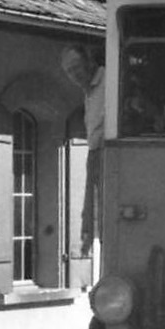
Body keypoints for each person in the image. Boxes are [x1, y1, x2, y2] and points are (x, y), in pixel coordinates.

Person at [60, 44, 105, 257]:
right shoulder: (88, 92)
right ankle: (89, 239)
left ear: (90, 62)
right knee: (93, 205)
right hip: (95, 152)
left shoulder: (109, 81)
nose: (74, 75)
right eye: (69, 71)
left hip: (109, 152)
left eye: (77, 67)